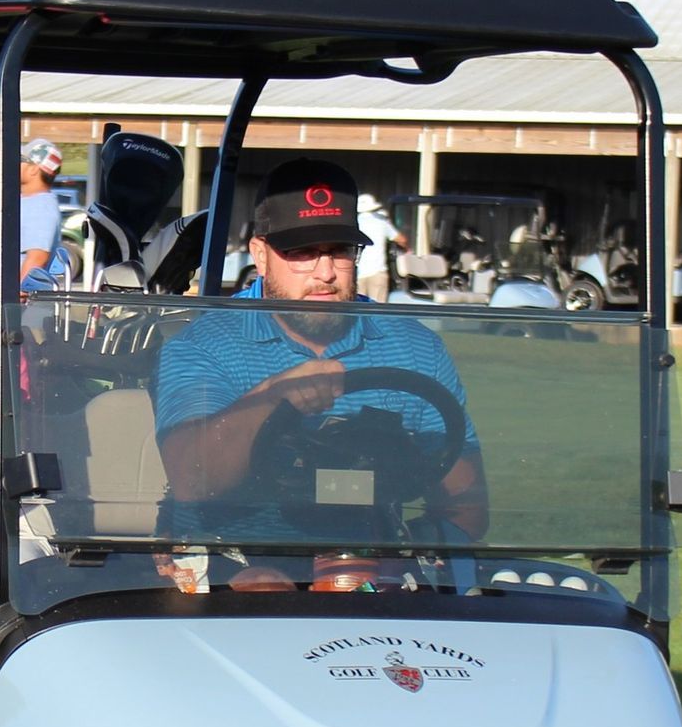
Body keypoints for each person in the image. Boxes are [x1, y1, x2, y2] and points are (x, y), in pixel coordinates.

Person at [154, 158, 486, 550]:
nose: (325, 273)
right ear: (260, 255)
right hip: (235, 572)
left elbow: (467, 505)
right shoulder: (204, 344)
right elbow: (193, 479)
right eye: (303, 252)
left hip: (369, 574)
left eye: (340, 251)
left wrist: (404, 558)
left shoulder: (414, 347)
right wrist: (272, 396)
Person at [16, 137, 69, 290]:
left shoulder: (42, 207)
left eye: (20, 159)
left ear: (34, 169)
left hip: (12, 306)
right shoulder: (26, 200)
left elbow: (37, 258)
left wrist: (11, 299)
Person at [354, 192, 409, 302]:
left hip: (358, 273)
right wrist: (407, 249)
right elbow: (401, 239)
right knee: (377, 310)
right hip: (377, 271)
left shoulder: (354, 223)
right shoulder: (382, 222)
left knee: (358, 310)